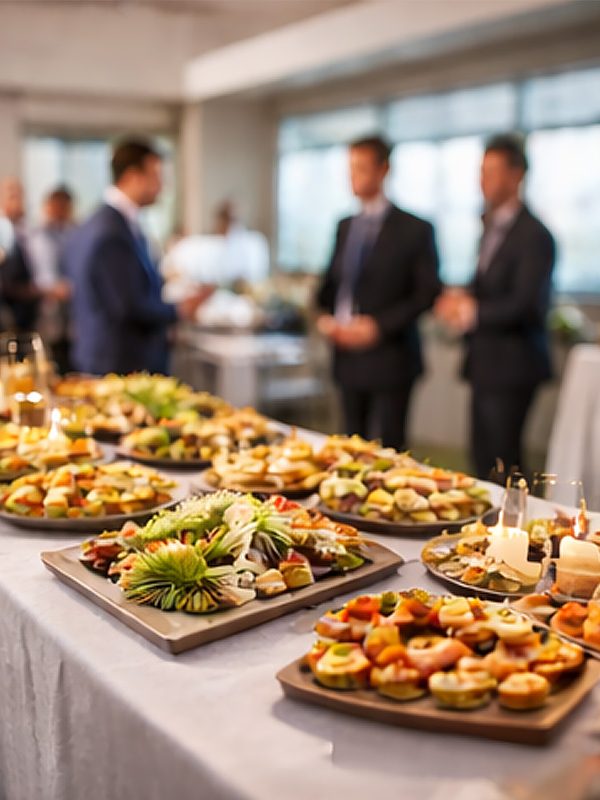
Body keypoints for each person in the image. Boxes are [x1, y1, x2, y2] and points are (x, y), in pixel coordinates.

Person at [435, 133, 555, 480]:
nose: (483, 180)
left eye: (492, 171)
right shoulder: (489, 226)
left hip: (514, 365)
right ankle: (484, 533)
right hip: (484, 360)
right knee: (481, 457)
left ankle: (515, 533)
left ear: (517, 175)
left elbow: (527, 304)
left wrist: (471, 311)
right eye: (481, 171)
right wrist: (460, 298)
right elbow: (487, 287)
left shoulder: (534, 235)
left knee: (506, 461)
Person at [316, 135, 440, 450]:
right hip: (347, 354)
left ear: (383, 170)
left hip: (391, 357)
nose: (353, 176)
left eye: (360, 168)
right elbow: (332, 284)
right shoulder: (346, 226)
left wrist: (378, 326)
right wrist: (325, 318)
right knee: (349, 444)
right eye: (350, 168)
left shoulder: (414, 229)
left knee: (390, 448)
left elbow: (425, 294)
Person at [64, 139, 210, 375]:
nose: (162, 187)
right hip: (117, 365)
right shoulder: (110, 230)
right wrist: (180, 310)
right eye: (156, 176)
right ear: (133, 176)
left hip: (114, 359)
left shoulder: (108, 221)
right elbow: (127, 306)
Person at [28, 186, 74, 372]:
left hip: (72, 317)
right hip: (49, 311)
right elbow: (43, 278)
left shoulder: (72, 232)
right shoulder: (39, 235)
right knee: (51, 364)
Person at [0, 177, 42, 331]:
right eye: (12, 196)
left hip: (28, 312)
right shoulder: (3, 230)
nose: (17, 201)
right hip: (8, 311)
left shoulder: (26, 230)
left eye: (20, 196)